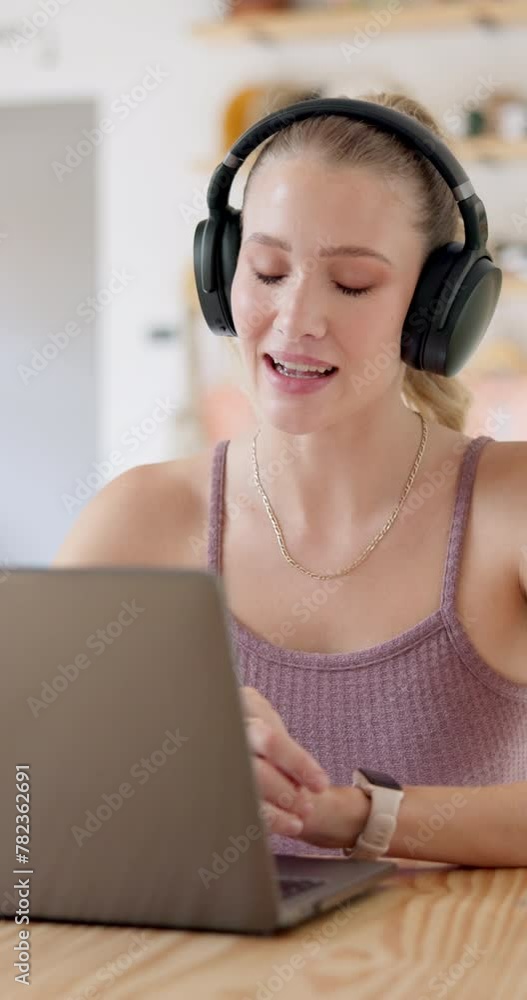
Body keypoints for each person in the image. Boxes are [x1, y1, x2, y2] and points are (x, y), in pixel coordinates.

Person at [53, 92, 527, 867]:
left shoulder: (507, 510)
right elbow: (25, 806)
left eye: (351, 285)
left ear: (435, 310)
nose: (295, 317)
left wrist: (353, 817)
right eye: (267, 269)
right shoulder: (140, 519)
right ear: (220, 273)